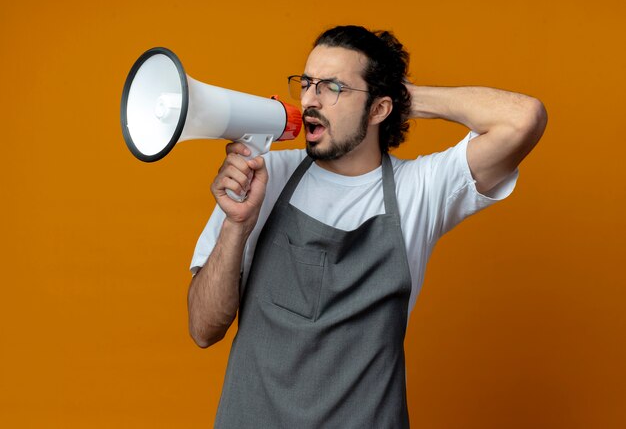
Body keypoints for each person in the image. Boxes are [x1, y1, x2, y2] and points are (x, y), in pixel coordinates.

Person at [187, 25, 547, 428]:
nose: (310, 100)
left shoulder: (420, 190)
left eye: (333, 88)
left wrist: (402, 94)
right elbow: (203, 329)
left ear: (379, 109)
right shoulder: (261, 177)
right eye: (307, 84)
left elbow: (523, 118)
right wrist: (237, 225)